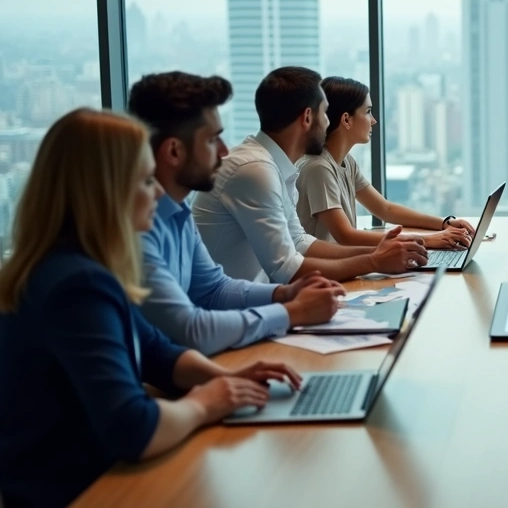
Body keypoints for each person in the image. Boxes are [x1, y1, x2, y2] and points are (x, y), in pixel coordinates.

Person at [0, 109, 302, 507]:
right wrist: (208, 400)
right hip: (78, 490)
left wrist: (226, 377)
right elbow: (133, 428)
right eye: (145, 180)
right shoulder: (76, 284)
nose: (158, 192)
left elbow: (158, 352)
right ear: (104, 193)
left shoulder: (81, 265)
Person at [128, 72, 345, 355]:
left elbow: (214, 289)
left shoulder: (177, 210)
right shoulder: (136, 229)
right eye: (211, 140)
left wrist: (283, 295)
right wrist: (291, 312)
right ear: (174, 151)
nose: (222, 152)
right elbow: (190, 330)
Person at [192, 66, 428, 283]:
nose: (329, 123)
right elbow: (286, 268)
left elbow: (300, 243)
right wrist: (374, 261)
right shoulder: (255, 170)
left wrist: (382, 253)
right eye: (325, 113)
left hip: (252, 300)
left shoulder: (278, 168)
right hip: (226, 312)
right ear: (307, 118)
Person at [296, 76, 475, 249]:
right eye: (367, 112)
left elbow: (384, 208)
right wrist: (426, 240)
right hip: (323, 275)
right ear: (346, 120)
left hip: (342, 266)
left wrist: (445, 223)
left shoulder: (345, 162)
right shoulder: (318, 169)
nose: (373, 120)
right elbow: (346, 235)